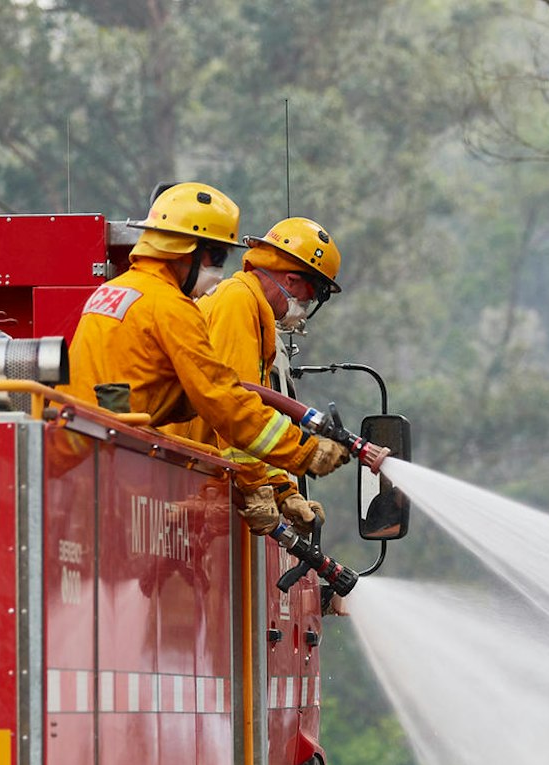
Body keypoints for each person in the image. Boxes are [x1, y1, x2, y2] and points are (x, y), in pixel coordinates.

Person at [59, 182, 356, 532]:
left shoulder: (115, 291)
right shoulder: (171, 306)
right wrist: (305, 452)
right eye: (216, 256)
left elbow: (182, 395)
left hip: (85, 463)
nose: (219, 269)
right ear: (185, 249)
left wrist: (280, 488)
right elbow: (224, 401)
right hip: (123, 475)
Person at [170, 216, 376, 529]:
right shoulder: (238, 301)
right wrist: (255, 487)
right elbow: (234, 410)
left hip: (191, 479)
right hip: (184, 481)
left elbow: (255, 422)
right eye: (313, 293)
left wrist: (283, 491)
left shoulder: (249, 307)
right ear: (292, 280)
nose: (305, 305)